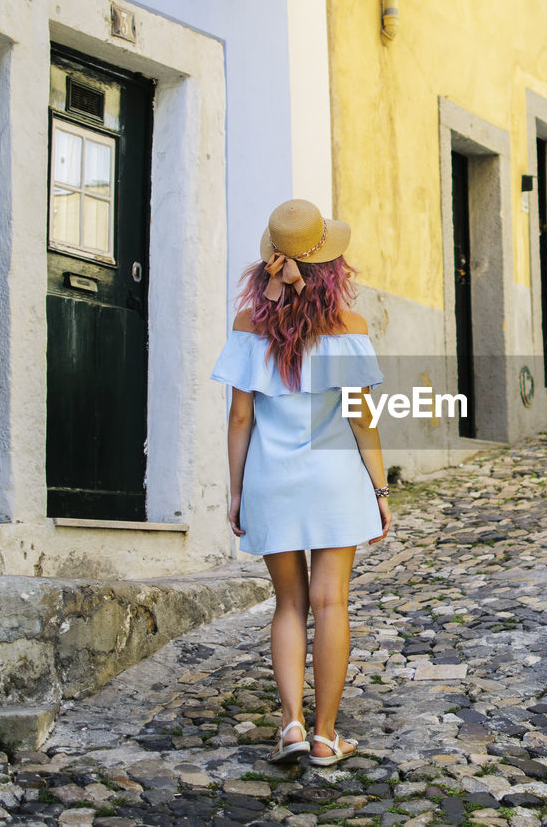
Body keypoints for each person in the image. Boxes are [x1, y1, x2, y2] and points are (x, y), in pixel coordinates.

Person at [210, 199, 392, 767]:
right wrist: (380, 491)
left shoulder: (247, 328)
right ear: (329, 268)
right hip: (336, 481)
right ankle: (325, 736)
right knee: (330, 601)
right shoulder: (351, 329)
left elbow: (240, 418)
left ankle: (289, 725)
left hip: (273, 481)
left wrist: (236, 490)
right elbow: (362, 419)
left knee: (289, 604)